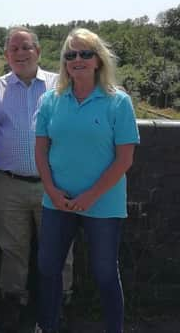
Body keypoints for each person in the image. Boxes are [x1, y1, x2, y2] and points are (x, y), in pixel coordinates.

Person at [34, 28, 139, 333]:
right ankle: (47, 326)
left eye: (85, 53)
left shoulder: (118, 102)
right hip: (58, 200)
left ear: (98, 60)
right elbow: (41, 151)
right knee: (48, 268)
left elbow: (124, 159)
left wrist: (91, 196)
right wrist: (52, 190)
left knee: (105, 273)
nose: (77, 59)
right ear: (64, 62)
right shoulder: (51, 100)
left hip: (103, 203)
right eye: (70, 54)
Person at [0, 27, 73, 332]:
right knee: (12, 249)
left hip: (53, 184)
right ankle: (13, 303)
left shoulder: (59, 85)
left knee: (59, 248)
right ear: (6, 55)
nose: (20, 54)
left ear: (38, 51)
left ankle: (58, 304)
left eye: (26, 48)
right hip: (8, 183)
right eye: (13, 49)